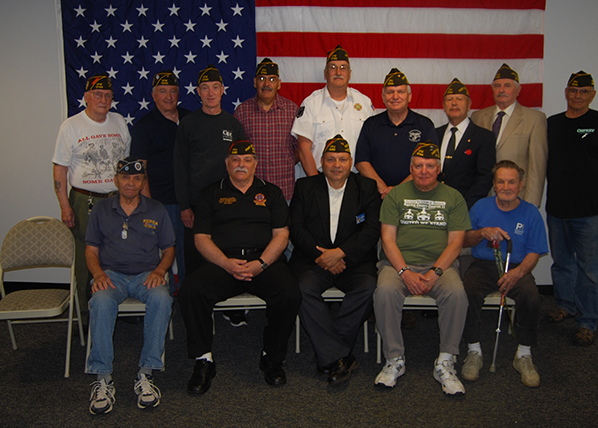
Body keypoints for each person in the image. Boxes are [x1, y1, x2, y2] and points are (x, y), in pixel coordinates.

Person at [178, 141, 301, 395]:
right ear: (227, 164)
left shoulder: (272, 193)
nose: (241, 165)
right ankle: (203, 359)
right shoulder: (211, 193)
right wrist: (225, 262)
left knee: (289, 292)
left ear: (256, 163)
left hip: (263, 262)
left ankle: (272, 357)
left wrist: (261, 264)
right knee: (191, 289)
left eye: (247, 160)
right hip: (223, 262)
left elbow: (281, 235)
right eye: (235, 160)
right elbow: (201, 238)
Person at [373, 142, 471, 395]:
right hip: (397, 265)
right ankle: (394, 358)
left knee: (456, 294)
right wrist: (405, 272)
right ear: (411, 168)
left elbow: (456, 242)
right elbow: (388, 239)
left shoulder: (453, 197)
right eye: (418, 166)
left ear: (439, 168)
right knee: (384, 291)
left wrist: (435, 272)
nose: (424, 171)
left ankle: (446, 360)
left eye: (429, 166)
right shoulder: (396, 195)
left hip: (440, 266)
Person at [85, 158, 175, 414]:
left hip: (146, 275)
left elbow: (169, 249)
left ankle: (146, 373)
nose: (131, 183)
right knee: (100, 301)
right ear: (116, 180)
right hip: (111, 275)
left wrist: (160, 270)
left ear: (143, 182)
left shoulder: (156, 209)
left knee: (162, 299)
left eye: (137, 179)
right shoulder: (101, 209)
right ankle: (103, 378)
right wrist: (98, 273)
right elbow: (91, 250)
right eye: (125, 177)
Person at [290, 135, 381, 386]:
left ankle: (329, 353)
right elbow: (296, 229)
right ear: (322, 162)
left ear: (351, 162)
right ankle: (339, 355)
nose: (337, 165)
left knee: (368, 287)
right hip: (313, 261)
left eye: (342, 159)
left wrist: (340, 253)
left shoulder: (367, 187)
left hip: (354, 261)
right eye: (331, 159)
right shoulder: (305, 187)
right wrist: (323, 256)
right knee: (302, 288)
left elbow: (372, 230)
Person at [545, 71, 598, 346]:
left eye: (584, 91)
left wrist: (593, 182)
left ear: (592, 94)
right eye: (573, 90)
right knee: (562, 263)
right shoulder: (552, 124)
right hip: (557, 208)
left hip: (589, 211)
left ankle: (588, 320)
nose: (577, 96)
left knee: (590, 268)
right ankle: (565, 306)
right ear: (566, 92)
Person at [461, 161, 548, 387]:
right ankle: (474, 351)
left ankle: (524, 354)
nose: (506, 186)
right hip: (483, 265)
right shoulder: (481, 207)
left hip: (516, 267)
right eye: (501, 181)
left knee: (531, 296)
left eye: (511, 181)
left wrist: (518, 273)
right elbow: (463, 240)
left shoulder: (531, 213)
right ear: (494, 184)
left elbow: (535, 251)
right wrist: (481, 233)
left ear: (520, 184)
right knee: (467, 290)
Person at [52, 74, 131, 319]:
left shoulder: (119, 121)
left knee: (120, 250)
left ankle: (114, 302)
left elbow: (126, 164)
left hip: (117, 200)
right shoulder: (71, 126)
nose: (103, 99)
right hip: (85, 200)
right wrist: (65, 206)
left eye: (108, 95)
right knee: (88, 255)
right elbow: (60, 170)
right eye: (97, 94)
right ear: (86, 96)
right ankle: (86, 313)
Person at [173, 64, 245, 276]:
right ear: (198, 92)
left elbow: (243, 167)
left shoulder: (233, 125)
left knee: (225, 258)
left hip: (227, 205)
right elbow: (179, 166)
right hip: (196, 207)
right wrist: (184, 206)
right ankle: (193, 308)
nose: (210, 93)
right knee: (195, 260)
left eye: (215, 87)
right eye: (205, 88)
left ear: (223, 89)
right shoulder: (188, 124)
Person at [131, 70, 190, 295]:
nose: (168, 96)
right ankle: (162, 300)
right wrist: (148, 206)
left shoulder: (188, 118)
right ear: (153, 95)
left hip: (189, 202)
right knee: (163, 255)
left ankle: (186, 299)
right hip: (161, 203)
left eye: (172, 91)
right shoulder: (144, 125)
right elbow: (140, 169)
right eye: (162, 92)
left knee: (188, 254)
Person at [471, 64, 548, 207]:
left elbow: (537, 167)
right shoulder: (478, 117)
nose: (501, 90)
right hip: (483, 199)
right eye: (497, 86)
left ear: (518, 90)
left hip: (517, 198)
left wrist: (530, 205)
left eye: (507, 85)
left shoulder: (534, 119)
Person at [292, 45, 374, 177]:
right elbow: (303, 147)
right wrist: (315, 182)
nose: (338, 72)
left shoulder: (364, 103)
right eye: (332, 67)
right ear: (325, 73)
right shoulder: (311, 103)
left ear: (349, 73)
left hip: (356, 179)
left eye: (343, 68)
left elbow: (372, 145)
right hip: (319, 176)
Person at [356, 68, 438, 199]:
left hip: (414, 195)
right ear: (383, 97)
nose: (395, 97)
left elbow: (430, 163)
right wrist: (383, 189)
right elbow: (361, 161)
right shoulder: (371, 124)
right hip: (376, 196)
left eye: (400, 92)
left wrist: (398, 190)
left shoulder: (425, 125)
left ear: (409, 96)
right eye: (390, 92)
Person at [234, 58, 299, 201]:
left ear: (279, 84)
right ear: (255, 82)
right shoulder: (241, 112)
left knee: (283, 224)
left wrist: (285, 161)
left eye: (272, 79)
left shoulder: (292, 110)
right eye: (262, 79)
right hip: (251, 190)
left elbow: (299, 147)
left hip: (284, 190)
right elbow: (235, 152)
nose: (266, 84)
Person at [436, 78, 496, 210]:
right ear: (444, 106)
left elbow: (485, 178)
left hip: (467, 208)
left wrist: (464, 205)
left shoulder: (484, 137)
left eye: (459, 99)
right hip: (435, 206)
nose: (454, 103)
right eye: (449, 100)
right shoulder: (435, 135)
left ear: (469, 105)